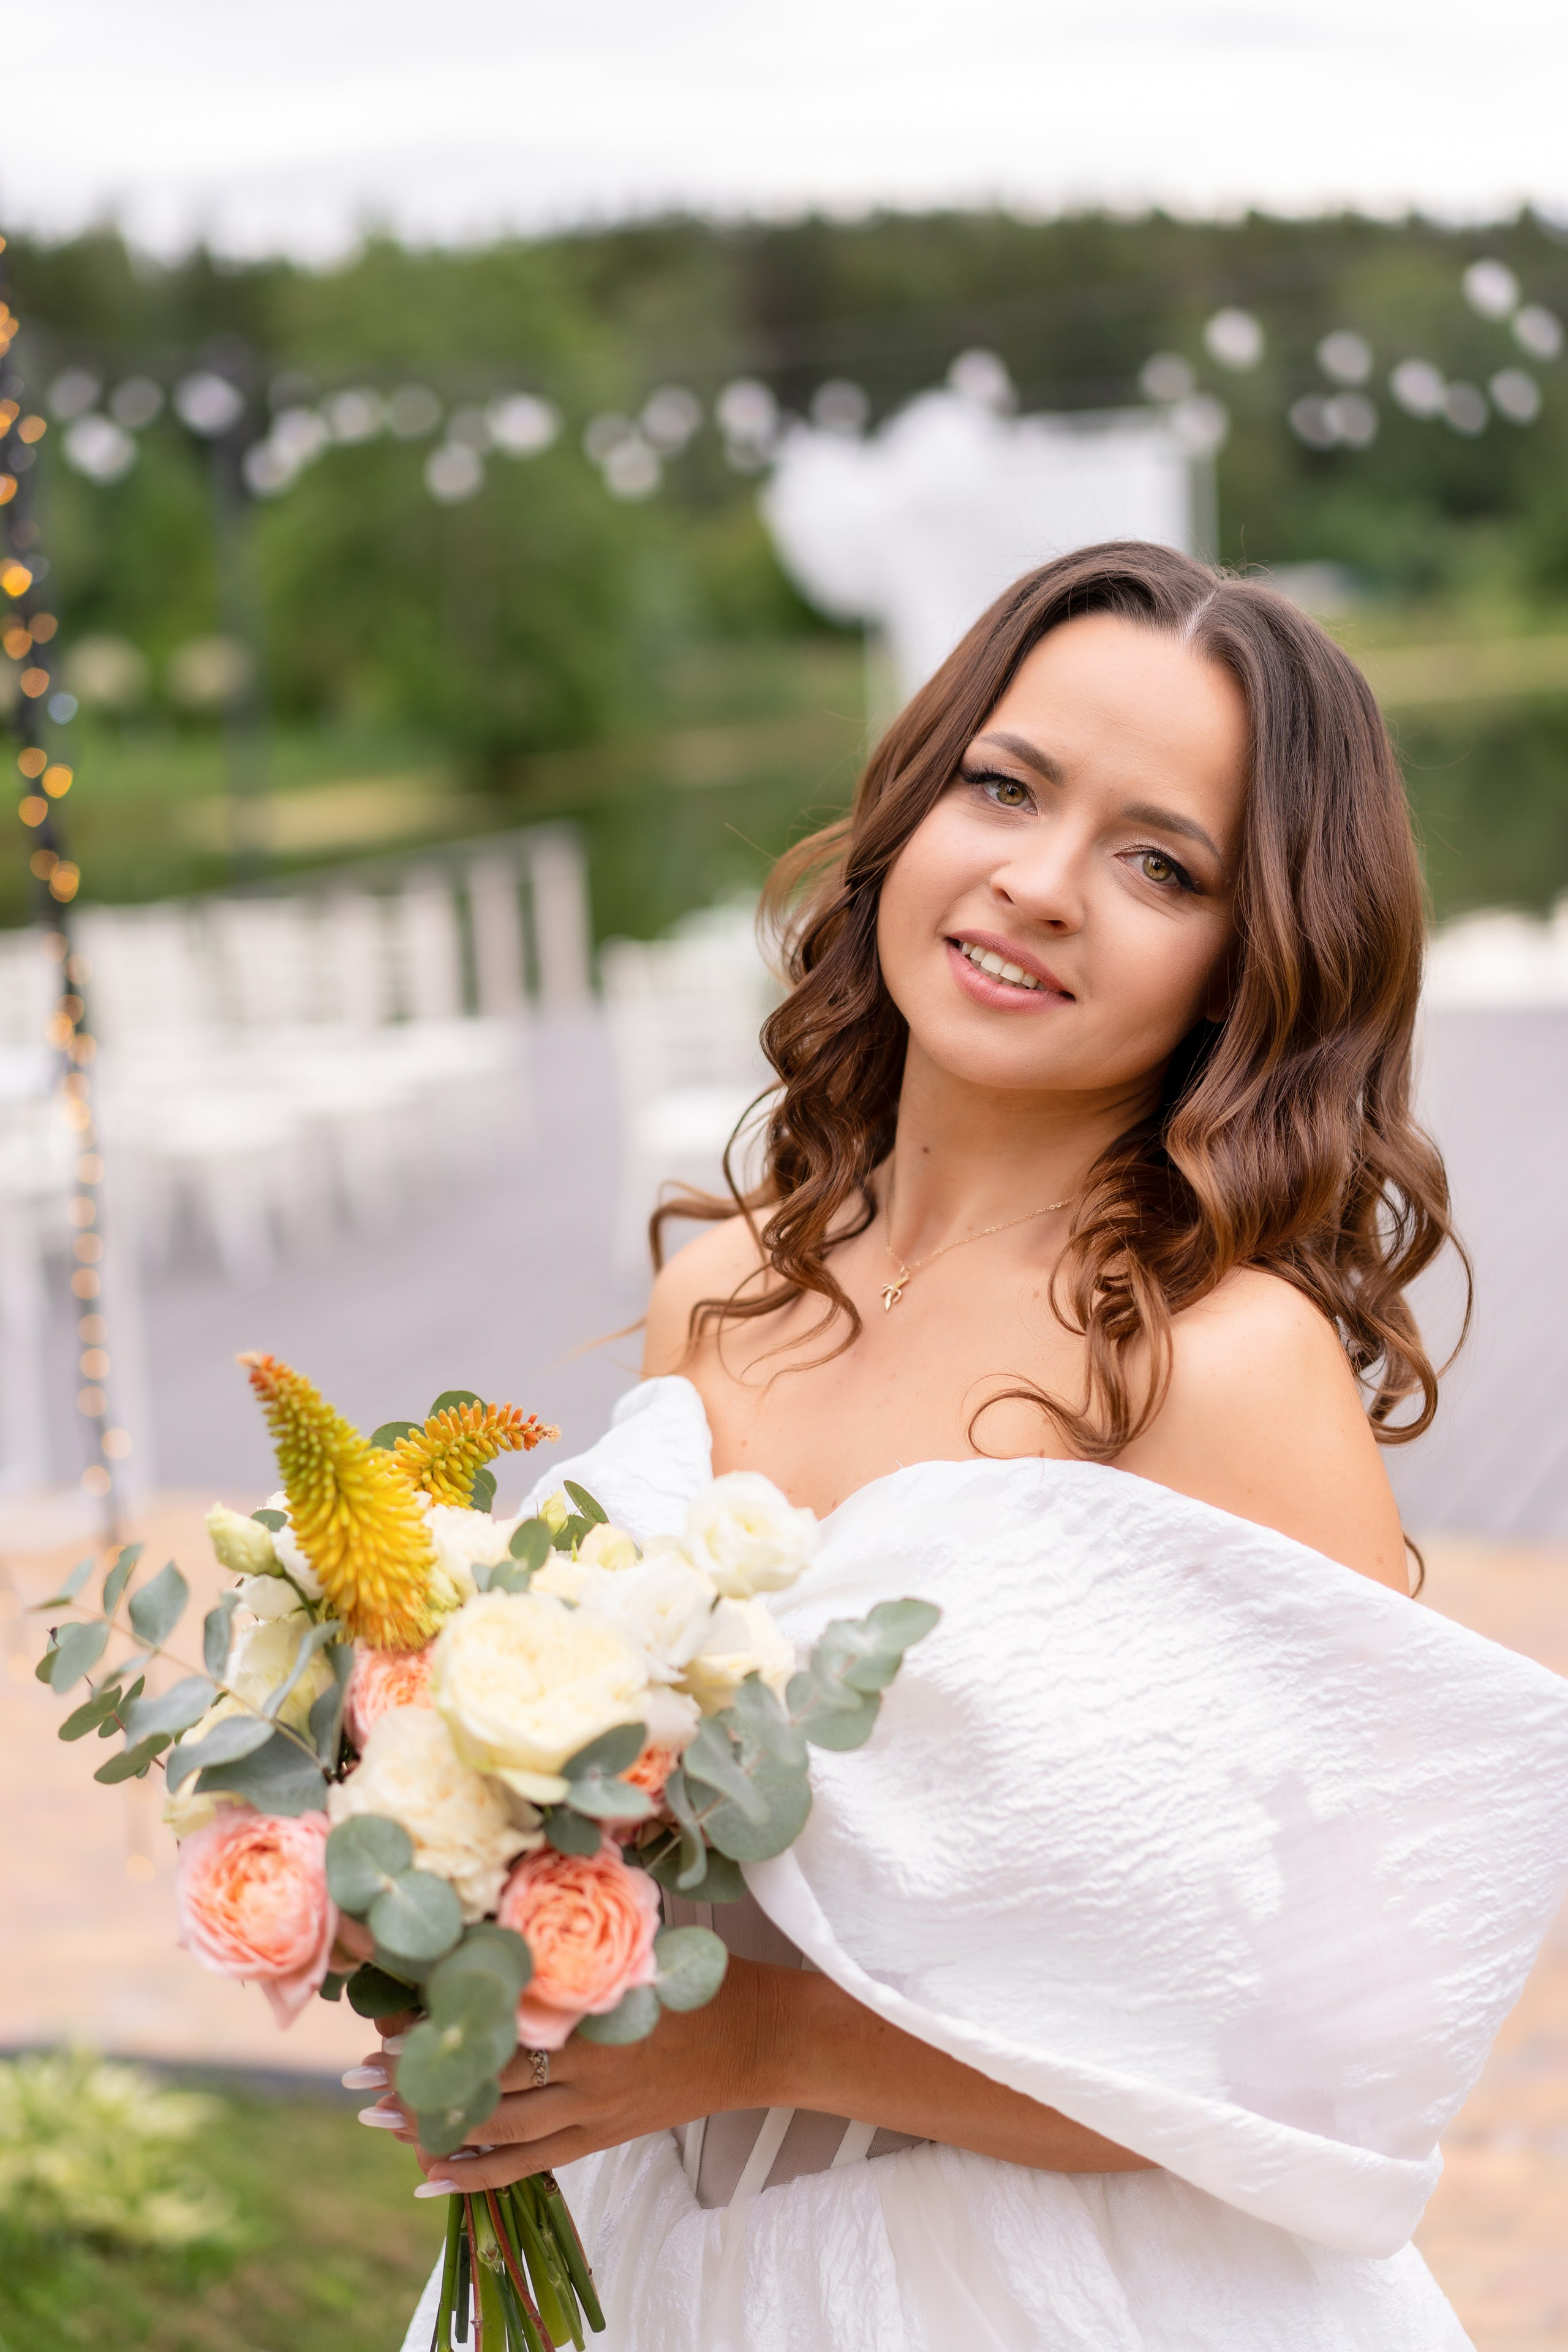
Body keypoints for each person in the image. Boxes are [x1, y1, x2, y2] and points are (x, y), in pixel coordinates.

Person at [390, 544, 1568, 2349]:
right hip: (665, 2260)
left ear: (1248, 959)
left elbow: (1311, 2051)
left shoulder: (1218, 1363)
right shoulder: (720, 1294)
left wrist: (766, 2044)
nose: (1038, 885)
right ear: (912, 801)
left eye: (1159, 861)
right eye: (1005, 787)